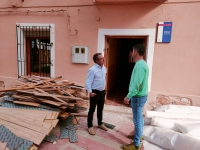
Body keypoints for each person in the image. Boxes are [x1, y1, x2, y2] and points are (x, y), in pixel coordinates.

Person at [123, 44, 149, 150]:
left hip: (138, 97)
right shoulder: (143, 64)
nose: (132, 53)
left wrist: (128, 96)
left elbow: (137, 84)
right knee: (139, 119)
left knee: (137, 120)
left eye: (133, 52)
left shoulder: (139, 65)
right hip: (142, 95)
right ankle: (138, 136)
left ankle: (136, 144)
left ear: (136, 53)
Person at [85, 53, 108, 135]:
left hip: (102, 92)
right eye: (101, 58)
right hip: (94, 92)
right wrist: (90, 92)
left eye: (103, 58)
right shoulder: (92, 70)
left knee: (100, 109)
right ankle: (90, 126)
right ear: (96, 60)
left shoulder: (104, 68)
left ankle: (100, 123)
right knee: (92, 110)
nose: (103, 59)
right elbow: (88, 82)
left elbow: (104, 79)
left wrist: (105, 89)